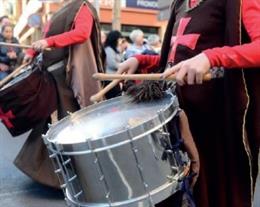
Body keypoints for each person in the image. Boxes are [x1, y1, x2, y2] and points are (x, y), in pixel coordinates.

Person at [117, 0, 260, 206]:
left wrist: (212, 57)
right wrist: (143, 60)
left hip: (214, 127)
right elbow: (180, 54)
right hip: (177, 121)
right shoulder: (180, 3)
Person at [15, 0, 105, 188]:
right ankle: (46, 174)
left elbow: (81, 33)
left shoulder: (82, 7)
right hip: (53, 76)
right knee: (52, 125)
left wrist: (48, 42)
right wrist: (32, 50)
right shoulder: (63, 9)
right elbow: (50, 36)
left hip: (66, 79)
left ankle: (72, 180)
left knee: (67, 127)